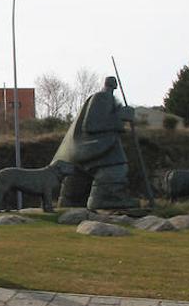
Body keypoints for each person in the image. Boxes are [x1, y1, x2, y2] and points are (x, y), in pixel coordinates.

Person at [51, 76, 136, 209]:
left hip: (88, 150)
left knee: (73, 192)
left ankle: (72, 201)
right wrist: (120, 117)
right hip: (92, 148)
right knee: (117, 165)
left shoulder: (108, 99)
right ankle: (106, 199)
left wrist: (122, 115)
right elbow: (91, 125)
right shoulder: (102, 97)